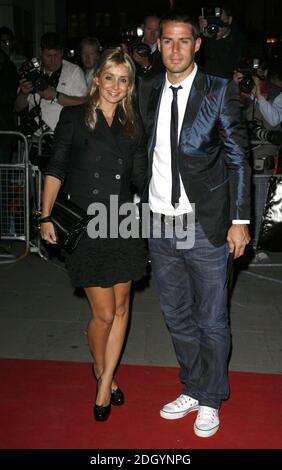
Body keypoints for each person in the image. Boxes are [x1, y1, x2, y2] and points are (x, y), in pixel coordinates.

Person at [138, 12, 251, 437]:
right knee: (176, 315)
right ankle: (192, 384)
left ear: (197, 44)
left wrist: (239, 220)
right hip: (159, 223)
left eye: (183, 41)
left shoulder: (219, 90)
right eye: (167, 41)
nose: (175, 49)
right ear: (159, 44)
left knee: (212, 319)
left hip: (204, 224)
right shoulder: (147, 88)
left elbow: (239, 158)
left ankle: (210, 398)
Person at [40, 48, 148, 421]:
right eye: (109, 78)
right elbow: (55, 169)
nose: (116, 86)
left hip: (122, 222)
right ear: (97, 78)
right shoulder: (73, 118)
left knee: (122, 309)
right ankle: (99, 367)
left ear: (129, 85)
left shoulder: (132, 125)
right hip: (86, 224)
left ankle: (104, 381)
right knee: (102, 314)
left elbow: (141, 177)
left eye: (124, 80)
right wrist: (45, 216)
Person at [14, 32, 87, 134]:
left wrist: (55, 95)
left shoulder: (74, 71)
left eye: (56, 55)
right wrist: (23, 93)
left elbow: (84, 104)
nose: (53, 60)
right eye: (48, 56)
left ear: (62, 52)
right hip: (36, 140)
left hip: (64, 140)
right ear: (41, 52)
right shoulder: (32, 71)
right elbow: (17, 108)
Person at [198, 3, 249, 79]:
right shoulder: (204, 37)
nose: (217, 25)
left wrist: (214, 39)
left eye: (219, 21)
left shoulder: (239, 41)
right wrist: (200, 31)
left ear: (229, 20)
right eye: (213, 21)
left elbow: (228, 67)